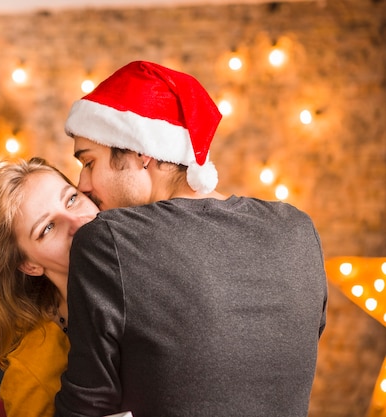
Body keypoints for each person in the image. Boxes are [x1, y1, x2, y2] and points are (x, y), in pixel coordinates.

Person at [54, 61, 328, 417]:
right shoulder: (298, 229)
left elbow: (87, 407)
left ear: (141, 152)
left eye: (89, 162)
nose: (82, 184)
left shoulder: (107, 240)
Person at [0, 157, 99, 417]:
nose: (77, 222)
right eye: (47, 228)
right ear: (29, 265)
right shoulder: (30, 373)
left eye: (71, 198)